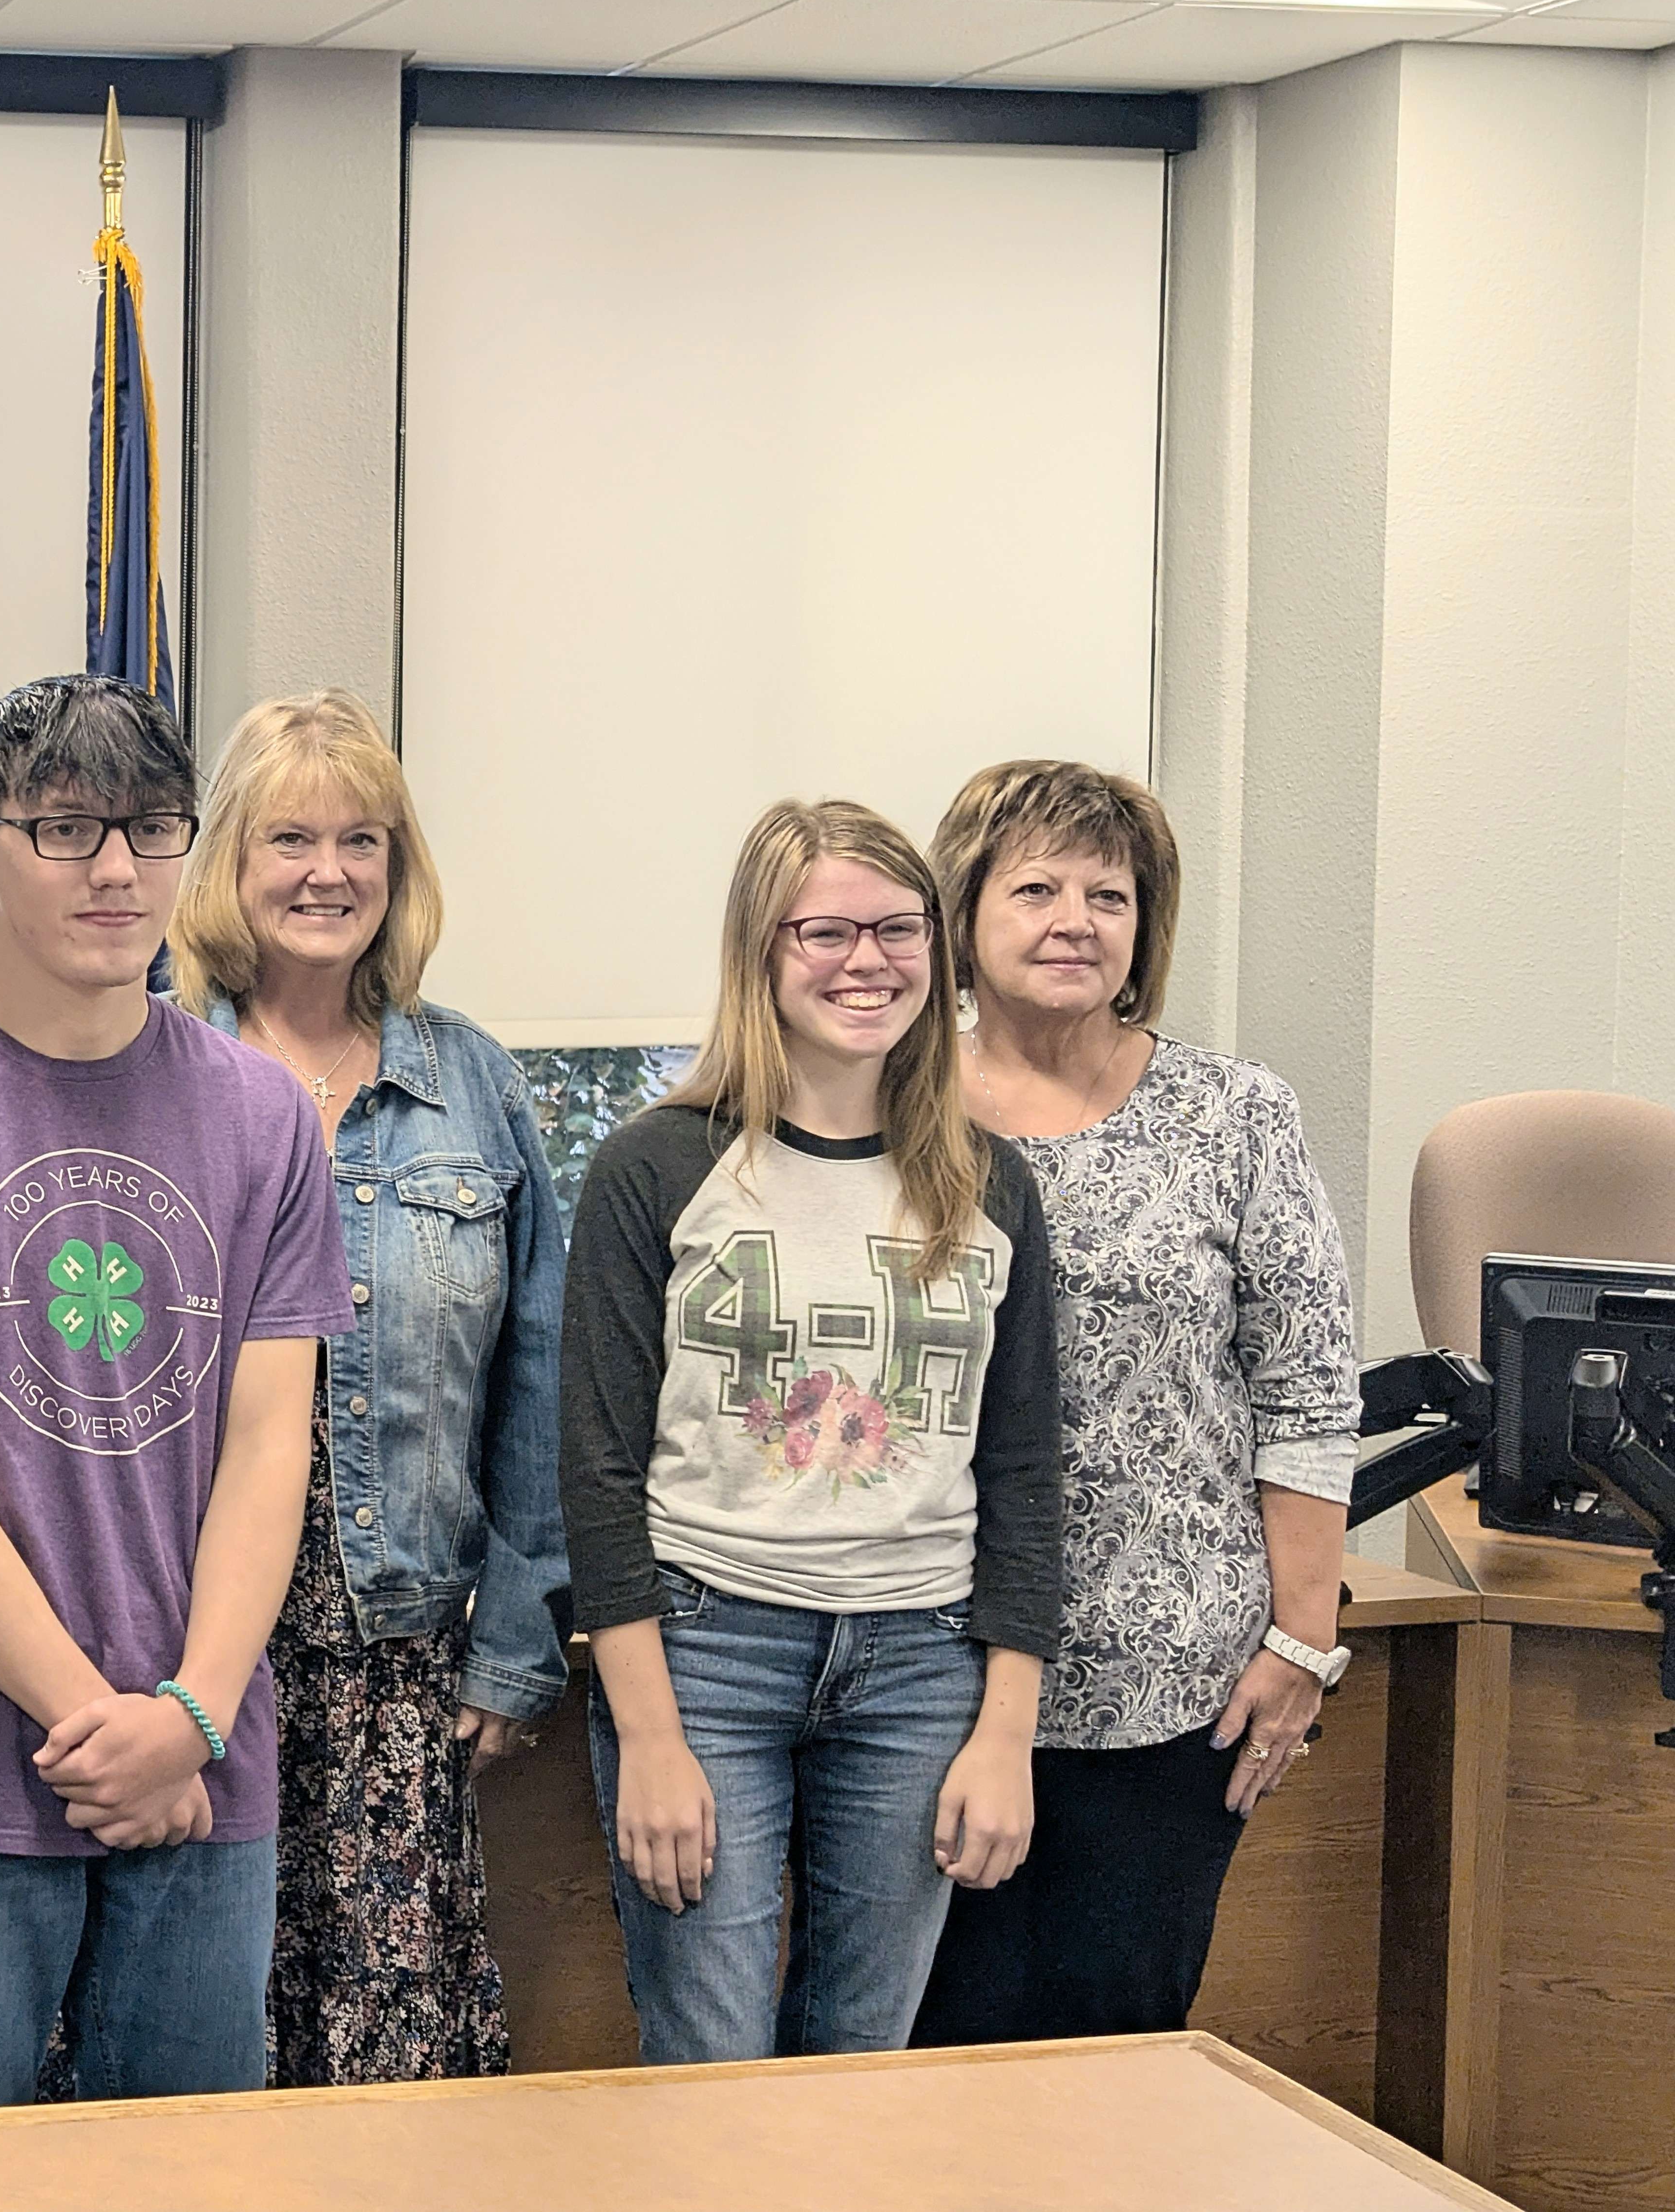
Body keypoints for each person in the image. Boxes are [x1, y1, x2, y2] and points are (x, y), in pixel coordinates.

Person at [0, 674, 353, 2113]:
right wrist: (98, 1725)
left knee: (195, 2184)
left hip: (203, 1762)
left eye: (153, 830)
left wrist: (194, 1718)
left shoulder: (260, 1113)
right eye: (65, 830)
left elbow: (268, 1443)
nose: (116, 871)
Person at [557, 798, 1066, 2066]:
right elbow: (599, 1470)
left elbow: (1024, 1472)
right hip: (706, 1653)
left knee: (861, 2073)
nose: (868, 961)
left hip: (922, 1665)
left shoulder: (991, 1181)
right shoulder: (658, 1167)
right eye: (826, 931)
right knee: (714, 2073)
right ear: (761, 954)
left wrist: (1007, 1732)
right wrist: (654, 1742)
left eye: (900, 930)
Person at [909, 762, 1360, 2045]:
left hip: (1174, 1684)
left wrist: (1299, 1642)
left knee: (1119, 2057)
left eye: (1109, 894)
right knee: (924, 2056)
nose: (1076, 919)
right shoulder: (893, 1103)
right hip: (925, 1673)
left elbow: (1311, 1394)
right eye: (1036, 886)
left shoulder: (1237, 1115)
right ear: (965, 914)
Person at [167, 689, 567, 2087]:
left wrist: (518, 1642)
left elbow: (539, 1381)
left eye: (363, 840)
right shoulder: (150, 1066)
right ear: (228, 859)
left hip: (397, 1666)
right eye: (289, 838)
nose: (327, 872)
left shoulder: (472, 1087)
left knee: (382, 2071)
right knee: (188, 2040)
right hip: (185, 1651)